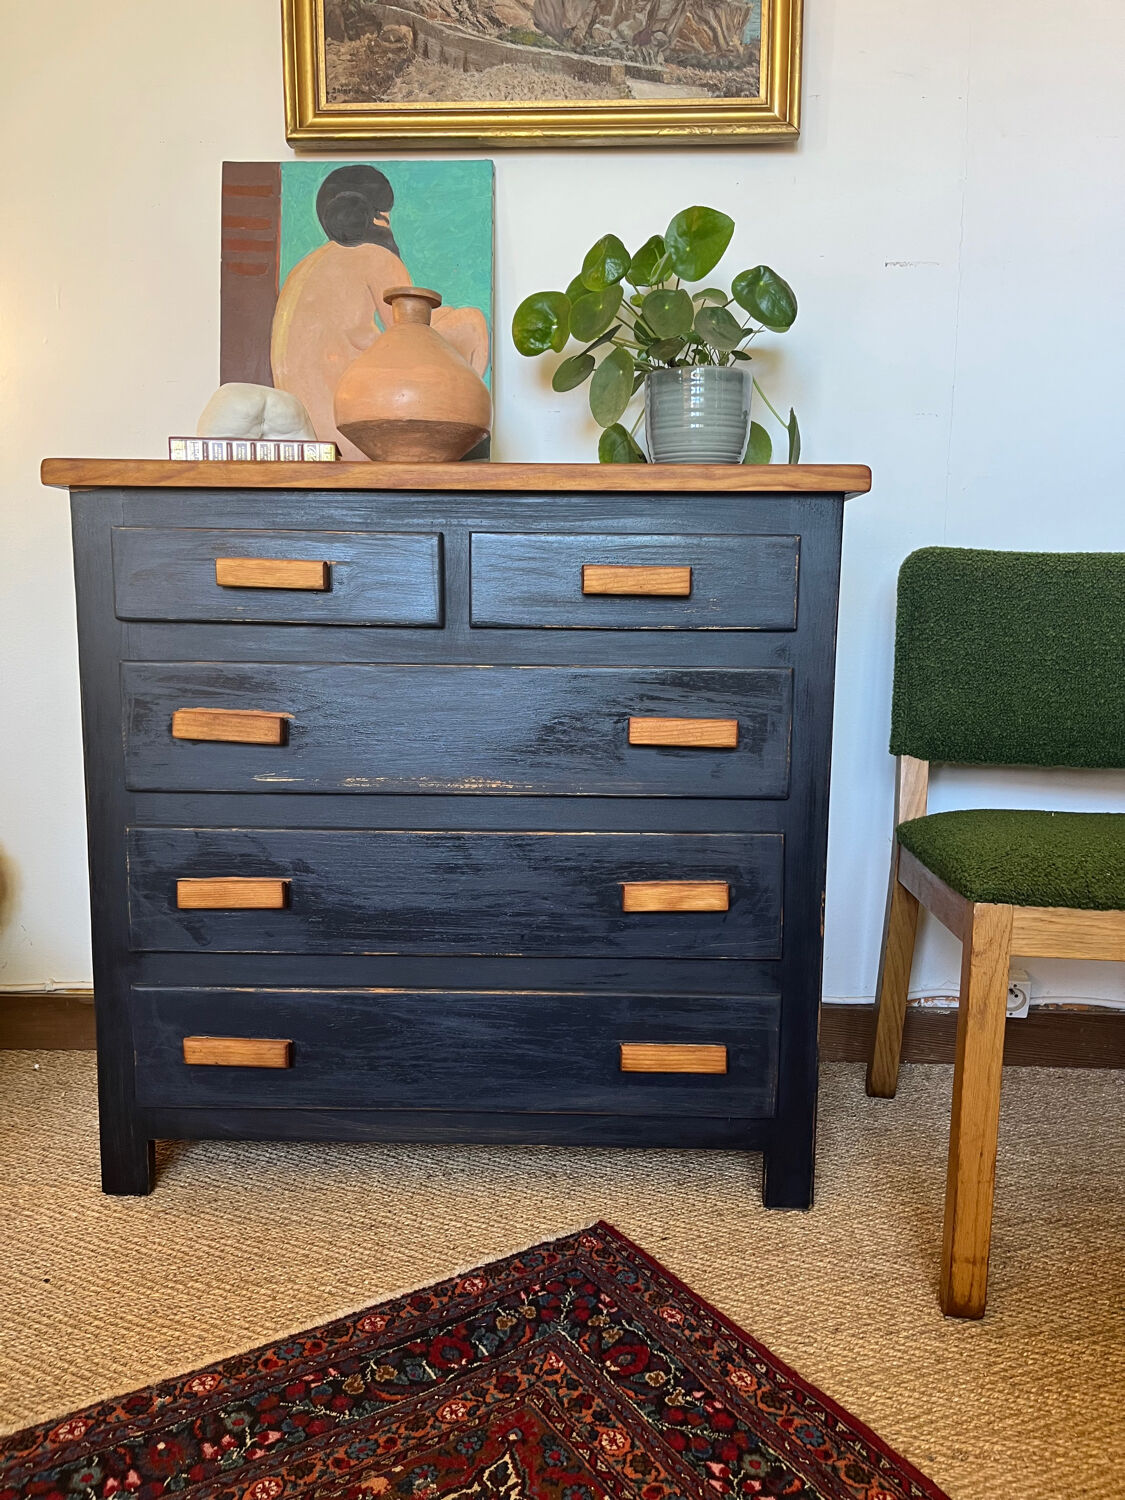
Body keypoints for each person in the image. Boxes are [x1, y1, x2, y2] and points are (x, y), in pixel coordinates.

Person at [271, 165, 489, 460]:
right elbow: (410, 332)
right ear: (379, 216)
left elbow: (356, 336)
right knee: (471, 321)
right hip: (353, 429)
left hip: (309, 432)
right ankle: (451, 439)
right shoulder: (376, 255)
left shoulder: (305, 265)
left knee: (448, 318)